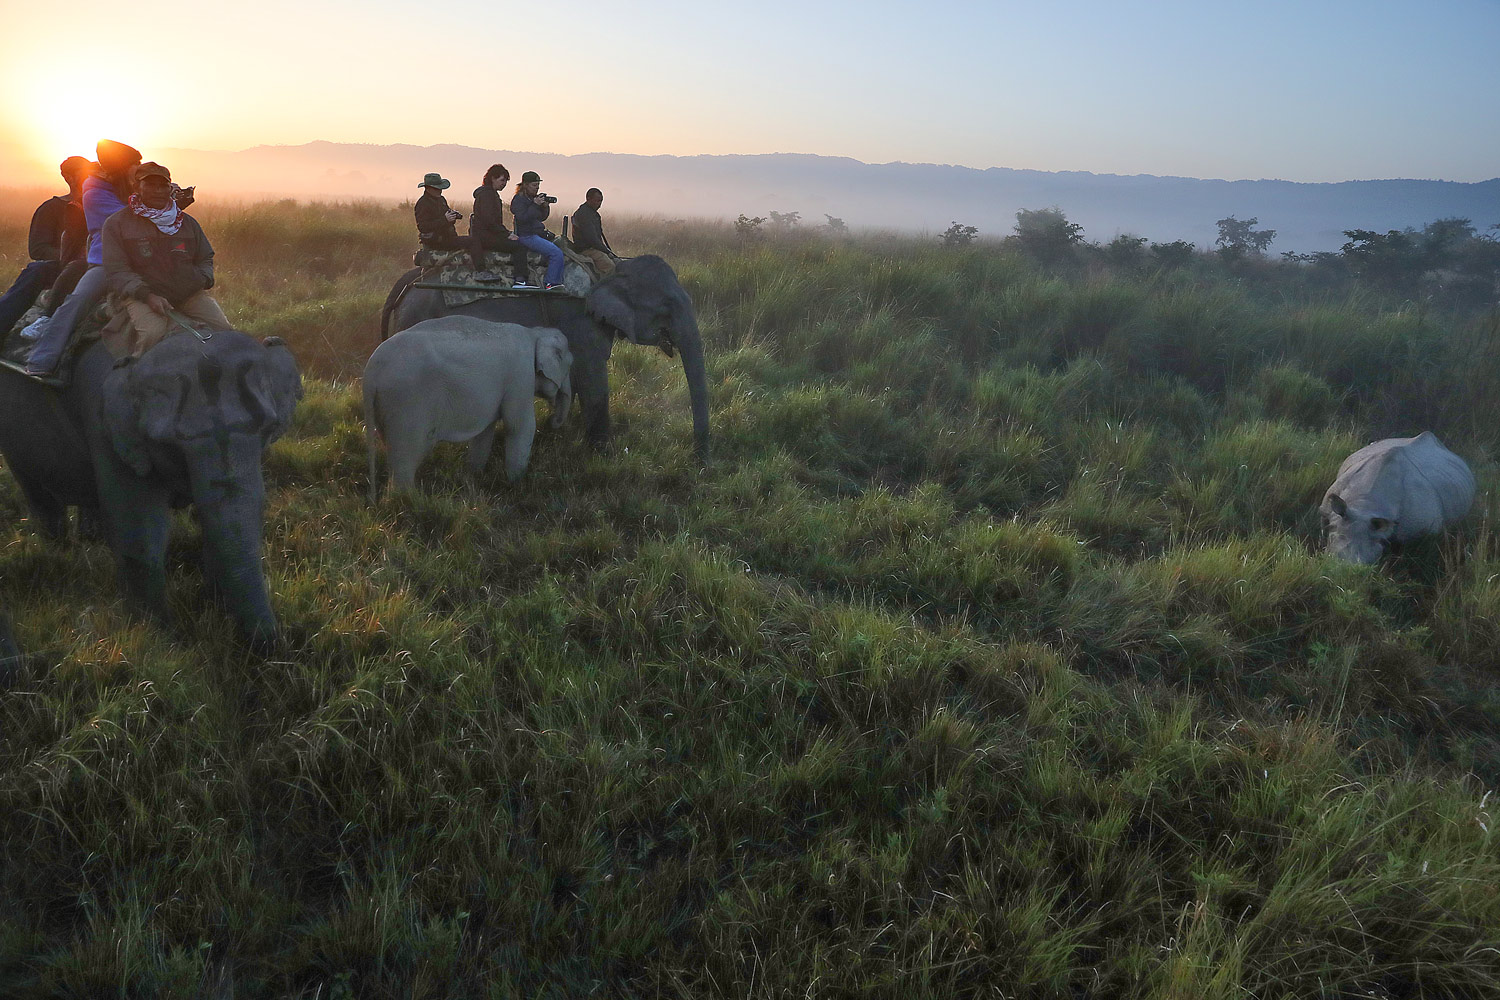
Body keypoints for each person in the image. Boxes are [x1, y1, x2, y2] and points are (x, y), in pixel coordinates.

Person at [23, 139, 143, 376]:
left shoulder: (139, 187)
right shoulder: (95, 190)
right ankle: (42, 360)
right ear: (122, 166)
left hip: (145, 259)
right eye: (134, 164)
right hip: (107, 262)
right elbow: (123, 220)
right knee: (77, 301)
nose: (139, 168)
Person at [101, 162, 230, 355]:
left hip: (189, 295)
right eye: (150, 184)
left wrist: (201, 279)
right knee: (153, 336)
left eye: (163, 186)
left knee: (225, 331)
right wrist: (147, 295)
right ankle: (135, 376)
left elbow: (205, 257)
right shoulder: (117, 224)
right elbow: (117, 270)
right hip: (144, 297)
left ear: (170, 188)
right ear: (137, 187)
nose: (158, 190)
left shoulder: (187, 223)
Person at [0, 156, 91, 337]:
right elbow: (38, 249)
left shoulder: (101, 205)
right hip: (62, 267)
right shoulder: (51, 208)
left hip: (102, 266)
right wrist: (71, 257)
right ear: (68, 177)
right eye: (84, 174)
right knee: (37, 270)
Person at [413, 172, 494, 278]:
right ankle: (481, 271)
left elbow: (446, 214)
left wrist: (453, 216)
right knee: (473, 241)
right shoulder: (423, 204)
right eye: (437, 188)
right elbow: (423, 227)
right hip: (437, 241)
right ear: (428, 188)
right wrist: (444, 220)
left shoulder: (440, 200)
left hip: (447, 237)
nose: (440, 191)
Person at [470, 164, 531, 286]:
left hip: (485, 234)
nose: (504, 184)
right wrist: (506, 234)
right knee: (518, 247)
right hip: (485, 236)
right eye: (502, 180)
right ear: (493, 178)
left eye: (505, 181)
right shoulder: (487, 195)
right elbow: (489, 221)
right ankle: (520, 280)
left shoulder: (489, 194)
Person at [510, 171, 566, 289]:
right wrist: (535, 205)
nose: (536, 189)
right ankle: (551, 282)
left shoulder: (532, 199)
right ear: (525, 185)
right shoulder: (518, 200)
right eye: (534, 185)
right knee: (556, 254)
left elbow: (541, 218)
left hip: (537, 233)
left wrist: (545, 207)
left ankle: (556, 280)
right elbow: (522, 218)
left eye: (538, 186)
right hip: (527, 235)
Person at [569, 187, 618, 276]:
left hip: (593, 248)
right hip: (586, 249)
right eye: (597, 201)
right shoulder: (584, 214)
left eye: (601, 201)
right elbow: (592, 239)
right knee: (610, 268)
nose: (600, 204)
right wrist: (607, 252)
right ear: (588, 199)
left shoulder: (593, 213)